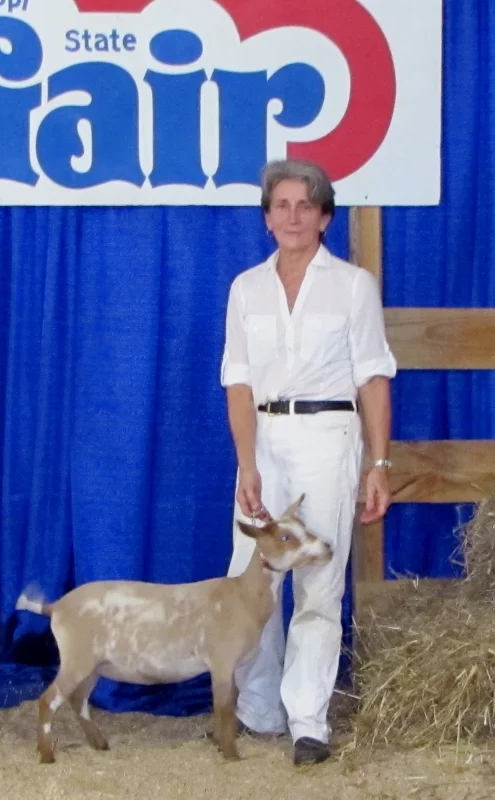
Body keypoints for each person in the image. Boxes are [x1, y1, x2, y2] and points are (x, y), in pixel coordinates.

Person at [219, 158, 397, 766]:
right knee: (253, 576)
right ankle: (258, 709)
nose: (293, 217)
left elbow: (373, 376)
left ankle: (308, 721)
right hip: (264, 435)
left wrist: (379, 463)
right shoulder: (246, 288)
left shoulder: (353, 285)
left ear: (324, 217)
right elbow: (237, 383)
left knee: (318, 578)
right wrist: (247, 463)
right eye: (281, 206)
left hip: (329, 433)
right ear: (267, 219)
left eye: (306, 206)